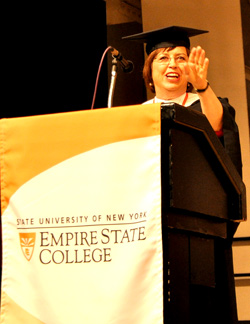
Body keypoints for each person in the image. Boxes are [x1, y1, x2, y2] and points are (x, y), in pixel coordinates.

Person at [123, 26, 242, 176]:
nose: (173, 64)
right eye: (163, 58)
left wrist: (202, 86)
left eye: (180, 58)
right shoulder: (138, 115)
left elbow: (218, 125)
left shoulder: (202, 103)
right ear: (150, 70)